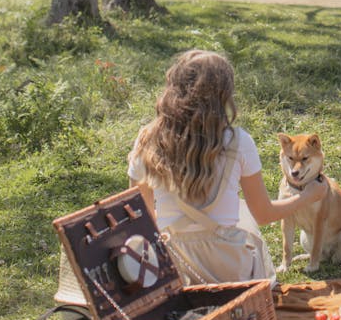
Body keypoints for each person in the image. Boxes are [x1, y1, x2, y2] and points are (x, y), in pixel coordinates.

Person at [128, 49, 328, 284]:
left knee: (240, 209)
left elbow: (137, 215)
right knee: (244, 214)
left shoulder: (147, 139)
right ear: (224, 95)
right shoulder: (239, 141)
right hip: (230, 270)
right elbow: (264, 214)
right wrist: (309, 196)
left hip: (173, 269)